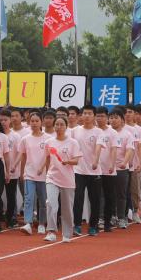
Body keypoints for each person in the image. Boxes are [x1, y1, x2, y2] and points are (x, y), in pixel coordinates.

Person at [43, 115, 81, 243]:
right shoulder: (49, 142)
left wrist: (68, 161)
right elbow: (47, 158)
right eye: (57, 124)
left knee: (67, 208)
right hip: (52, 177)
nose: (59, 127)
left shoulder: (73, 142)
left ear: (66, 127)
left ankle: (67, 234)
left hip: (67, 179)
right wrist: (46, 173)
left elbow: (76, 160)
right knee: (51, 203)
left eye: (61, 125)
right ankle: (51, 231)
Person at [71, 104, 104, 236]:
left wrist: (95, 161)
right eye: (84, 113)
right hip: (78, 170)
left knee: (94, 200)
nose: (87, 116)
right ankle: (77, 225)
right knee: (78, 198)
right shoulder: (75, 131)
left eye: (90, 114)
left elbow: (98, 147)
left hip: (94, 171)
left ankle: (93, 226)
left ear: (94, 116)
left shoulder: (98, 132)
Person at [19, 111, 48, 235]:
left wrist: (43, 167)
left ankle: (41, 223)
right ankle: (28, 223)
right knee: (28, 199)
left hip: (43, 175)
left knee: (43, 200)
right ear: (29, 122)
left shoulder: (48, 138)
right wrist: (22, 172)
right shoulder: (25, 139)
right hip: (29, 174)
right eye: (32, 121)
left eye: (37, 121)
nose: (34, 123)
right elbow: (23, 156)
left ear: (41, 122)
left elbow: (49, 156)